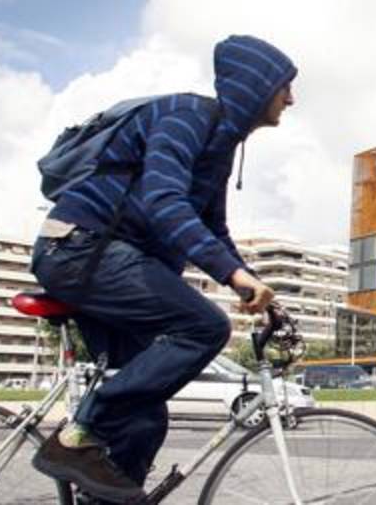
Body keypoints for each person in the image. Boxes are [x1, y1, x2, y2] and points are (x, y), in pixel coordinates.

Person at [30, 35, 296, 503]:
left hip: (105, 259)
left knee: (145, 418)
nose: (291, 99)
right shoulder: (186, 117)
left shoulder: (220, 146)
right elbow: (163, 201)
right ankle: (77, 437)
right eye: (285, 87)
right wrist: (233, 278)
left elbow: (213, 230)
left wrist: (252, 287)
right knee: (204, 327)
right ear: (258, 87)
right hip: (78, 249)